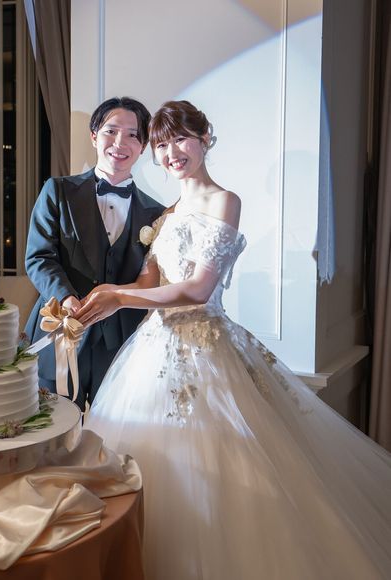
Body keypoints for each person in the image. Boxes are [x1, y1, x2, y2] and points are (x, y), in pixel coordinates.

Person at [80, 100, 391, 579]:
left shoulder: (225, 201)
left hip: (206, 348)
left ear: (205, 138)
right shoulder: (167, 212)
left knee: (226, 469)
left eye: (180, 139)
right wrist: (104, 296)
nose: (171, 153)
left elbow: (198, 289)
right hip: (153, 351)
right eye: (161, 145)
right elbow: (148, 284)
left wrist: (119, 298)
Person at [25, 97, 164, 410]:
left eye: (132, 135)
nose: (120, 142)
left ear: (143, 147)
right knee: (53, 425)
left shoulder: (156, 213)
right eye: (110, 131)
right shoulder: (58, 191)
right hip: (60, 331)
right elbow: (39, 257)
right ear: (93, 136)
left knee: (111, 431)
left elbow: (151, 282)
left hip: (121, 343)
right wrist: (65, 297)